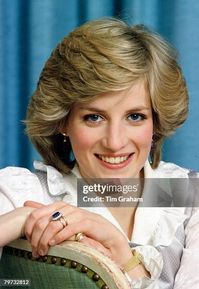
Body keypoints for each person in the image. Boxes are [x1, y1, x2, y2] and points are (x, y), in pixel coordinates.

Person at [0, 18, 198, 289]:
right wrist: (22, 218)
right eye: (94, 117)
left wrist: (121, 252)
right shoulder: (26, 194)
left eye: (135, 116)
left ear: (156, 121)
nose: (115, 142)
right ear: (63, 121)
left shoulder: (185, 194)